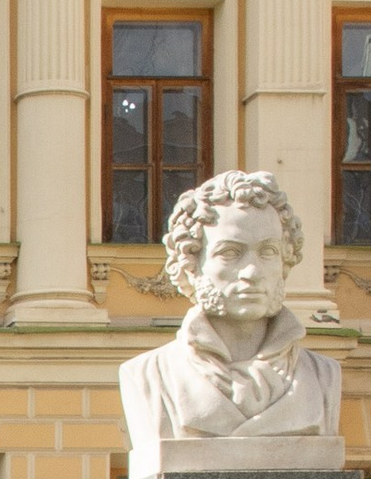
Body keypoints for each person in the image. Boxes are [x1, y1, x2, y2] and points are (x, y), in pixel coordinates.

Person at [120, 170, 342, 457]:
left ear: (286, 259)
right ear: (192, 263)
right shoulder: (149, 376)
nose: (251, 272)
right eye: (230, 253)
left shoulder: (323, 376)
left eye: (268, 252)